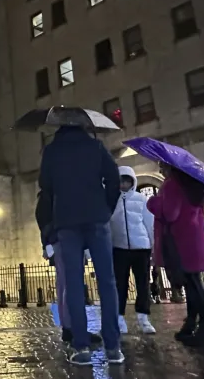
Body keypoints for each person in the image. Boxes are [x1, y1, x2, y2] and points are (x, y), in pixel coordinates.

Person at [36, 125, 124, 366]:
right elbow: (114, 178)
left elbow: (45, 186)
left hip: (66, 221)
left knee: (74, 283)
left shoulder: (52, 151)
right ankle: (113, 346)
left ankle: (81, 346)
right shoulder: (95, 146)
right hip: (97, 217)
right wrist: (106, 208)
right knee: (107, 281)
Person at [147, 164, 204, 348]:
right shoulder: (192, 184)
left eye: (163, 166)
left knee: (194, 284)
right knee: (194, 283)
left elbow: (170, 214)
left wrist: (153, 202)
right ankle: (193, 325)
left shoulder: (172, 184)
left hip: (181, 240)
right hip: (195, 238)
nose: (161, 170)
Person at [109, 166, 156, 335]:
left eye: (127, 181)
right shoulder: (111, 200)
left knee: (143, 284)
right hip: (119, 248)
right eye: (121, 181)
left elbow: (149, 222)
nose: (124, 184)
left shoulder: (141, 198)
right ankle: (120, 317)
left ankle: (143, 317)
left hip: (141, 247)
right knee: (120, 284)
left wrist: (153, 245)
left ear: (132, 182)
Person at [39, 229, 102, 346]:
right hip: (66, 236)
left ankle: (69, 327)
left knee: (65, 283)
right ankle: (73, 328)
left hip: (63, 237)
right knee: (69, 283)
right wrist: (46, 243)